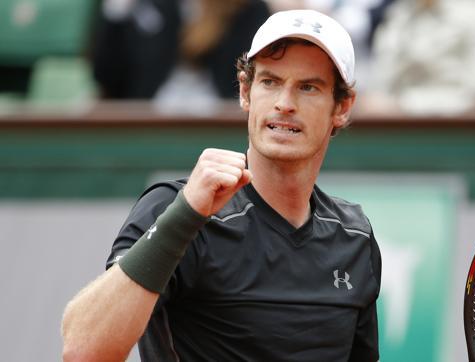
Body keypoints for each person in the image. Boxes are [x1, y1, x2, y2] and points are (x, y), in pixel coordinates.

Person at [61, 9, 382, 361]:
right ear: (245, 91)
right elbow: (83, 350)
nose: (284, 104)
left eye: (308, 87)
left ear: (342, 107)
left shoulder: (355, 237)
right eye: (270, 82)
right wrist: (185, 215)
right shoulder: (174, 208)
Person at [92, 0, 270, 113]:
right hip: (150, 116)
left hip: (219, 117)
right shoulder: (149, 7)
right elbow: (107, 77)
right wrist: (116, 16)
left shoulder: (248, 10)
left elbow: (253, 72)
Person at [362, 0, 475, 115]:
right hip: (391, 133)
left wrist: (403, 106)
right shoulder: (401, 12)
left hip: (461, 137)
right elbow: (380, 80)